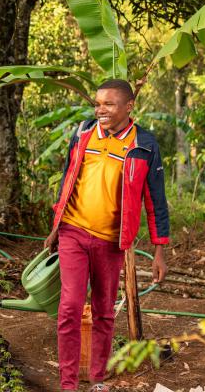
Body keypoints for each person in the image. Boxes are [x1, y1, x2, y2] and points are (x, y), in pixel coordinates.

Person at [44, 79, 169, 392]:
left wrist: (159, 251)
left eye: (109, 104)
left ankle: (97, 379)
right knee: (70, 307)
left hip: (112, 241)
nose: (100, 109)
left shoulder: (144, 144)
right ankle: (68, 384)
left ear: (129, 107)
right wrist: (56, 225)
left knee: (103, 310)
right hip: (73, 231)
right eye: (98, 103)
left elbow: (155, 199)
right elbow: (68, 178)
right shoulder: (83, 132)